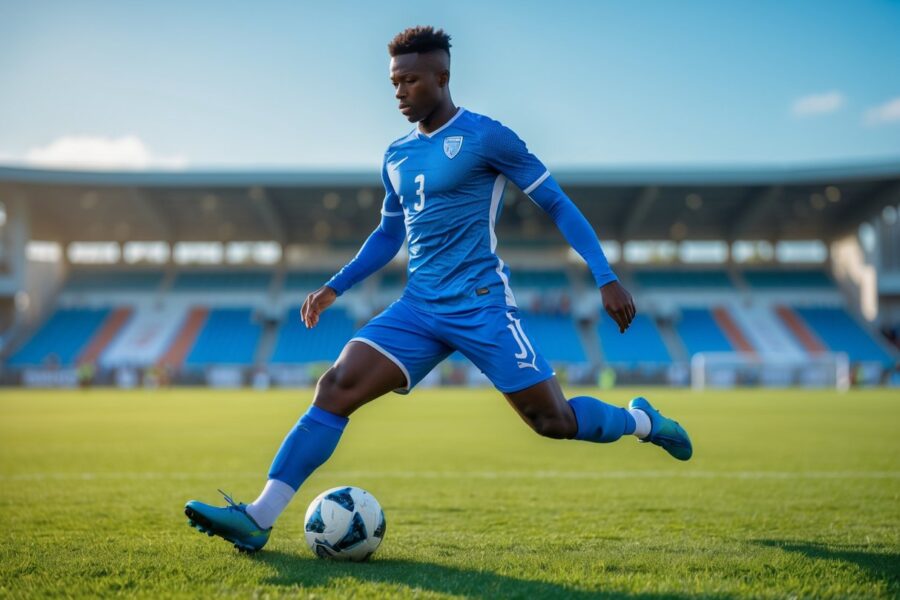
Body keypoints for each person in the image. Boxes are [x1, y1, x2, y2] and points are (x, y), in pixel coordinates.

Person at [185, 26, 692, 553]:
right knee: (335, 387)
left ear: (442, 77)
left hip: (480, 305)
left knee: (554, 421)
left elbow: (559, 204)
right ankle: (258, 518)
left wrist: (605, 276)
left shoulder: (487, 136)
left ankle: (642, 422)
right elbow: (388, 234)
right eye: (393, 83)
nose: (399, 92)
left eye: (409, 80)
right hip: (418, 308)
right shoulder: (396, 156)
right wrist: (335, 286)